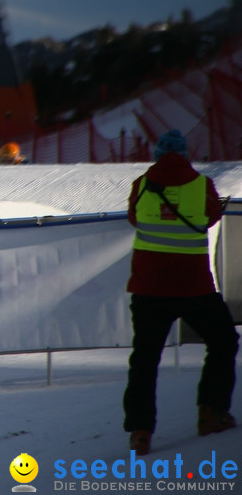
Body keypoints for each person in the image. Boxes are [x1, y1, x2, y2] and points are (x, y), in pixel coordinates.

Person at [122, 129, 238, 455]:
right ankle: (211, 412)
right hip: (194, 288)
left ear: (158, 154)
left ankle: (140, 432)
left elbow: (134, 218)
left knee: (144, 360)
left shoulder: (142, 185)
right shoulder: (202, 186)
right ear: (185, 154)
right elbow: (212, 216)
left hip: (148, 288)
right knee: (223, 341)